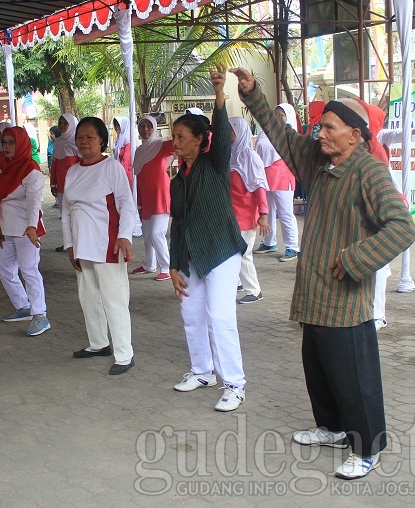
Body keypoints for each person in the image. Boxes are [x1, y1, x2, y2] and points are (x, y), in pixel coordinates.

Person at [232, 66, 415, 479]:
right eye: (319, 126)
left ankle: (367, 447)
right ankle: (332, 427)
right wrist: (251, 93)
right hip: (314, 292)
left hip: (347, 298)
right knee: (318, 366)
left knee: (354, 375)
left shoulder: (369, 171)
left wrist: (356, 260)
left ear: (356, 135)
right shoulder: (316, 160)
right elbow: (280, 135)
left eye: (330, 128)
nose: (321, 134)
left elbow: (403, 227)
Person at [169, 66, 248, 412]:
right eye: (174, 137)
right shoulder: (177, 180)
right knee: (192, 315)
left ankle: (235, 384)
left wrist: (220, 95)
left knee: (219, 316)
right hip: (191, 257)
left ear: (200, 140)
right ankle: (202, 372)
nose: (176, 143)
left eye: (182, 136)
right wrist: (173, 265)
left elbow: (222, 136)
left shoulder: (214, 162)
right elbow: (178, 223)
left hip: (221, 251)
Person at [62, 117, 136, 375]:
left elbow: (126, 204)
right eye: (80, 137)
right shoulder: (72, 171)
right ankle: (99, 343)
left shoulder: (111, 167)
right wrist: (69, 244)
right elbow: (66, 211)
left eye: (90, 137)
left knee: (114, 299)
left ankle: (124, 354)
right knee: (89, 297)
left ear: (102, 140)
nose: (84, 141)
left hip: (107, 243)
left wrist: (124, 236)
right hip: (82, 244)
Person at [358, 101, 415, 331]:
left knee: (378, 262)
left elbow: (394, 134)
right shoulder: (351, 142)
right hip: (362, 207)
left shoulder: (376, 138)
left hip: (382, 204)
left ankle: (377, 315)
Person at [0, 126, 51, 337]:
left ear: (22, 143)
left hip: (27, 230)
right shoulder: (2, 167)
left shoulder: (31, 170)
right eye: (4, 142)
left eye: (11, 142)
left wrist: (32, 227)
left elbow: (34, 202)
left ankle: (40, 315)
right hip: (7, 228)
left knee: (29, 271)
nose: (6, 147)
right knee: (5, 269)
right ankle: (23, 306)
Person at [228, 117, 270, 303]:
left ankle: (254, 291)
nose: (227, 134)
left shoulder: (249, 156)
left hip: (245, 212)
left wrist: (263, 214)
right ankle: (238, 282)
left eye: (230, 130)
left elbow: (258, 185)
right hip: (233, 212)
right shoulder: (232, 154)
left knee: (244, 252)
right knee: (234, 251)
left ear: (239, 132)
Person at [254, 102, 300, 262]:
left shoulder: (290, 134)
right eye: (276, 115)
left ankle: (292, 246)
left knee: (286, 212)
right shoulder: (264, 132)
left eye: (282, 115)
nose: (278, 118)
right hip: (265, 175)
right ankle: (269, 242)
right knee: (268, 211)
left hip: (282, 175)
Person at [131, 115, 175, 281]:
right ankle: (150, 264)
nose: (146, 130)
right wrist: (140, 203)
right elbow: (140, 177)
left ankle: (166, 267)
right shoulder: (139, 150)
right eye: (142, 126)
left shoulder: (161, 145)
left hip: (160, 195)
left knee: (157, 233)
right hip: (145, 197)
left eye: (149, 126)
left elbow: (179, 144)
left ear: (155, 127)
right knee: (147, 232)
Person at [51, 114, 82, 252]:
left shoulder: (78, 142)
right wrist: (53, 184)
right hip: (61, 188)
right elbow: (55, 165)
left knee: (77, 216)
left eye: (65, 123)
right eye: (60, 123)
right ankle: (68, 244)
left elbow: (83, 165)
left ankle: (79, 244)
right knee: (65, 216)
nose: (62, 126)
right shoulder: (58, 142)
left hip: (76, 187)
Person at [112, 116, 133, 186]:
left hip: (127, 175)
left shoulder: (129, 142)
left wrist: (121, 179)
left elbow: (125, 162)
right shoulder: (119, 139)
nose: (116, 127)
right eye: (115, 125)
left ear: (124, 125)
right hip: (120, 173)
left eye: (118, 125)